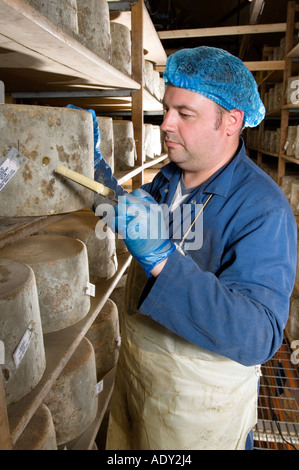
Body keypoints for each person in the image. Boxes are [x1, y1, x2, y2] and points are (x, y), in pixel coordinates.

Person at [92, 46, 297, 450]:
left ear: (231, 122)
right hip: (137, 374)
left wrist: (163, 261)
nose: (166, 123)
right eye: (167, 109)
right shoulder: (170, 178)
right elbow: (128, 217)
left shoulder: (262, 210)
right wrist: (96, 177)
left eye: (185, 114)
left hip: (199, 402)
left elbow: (259, 334)